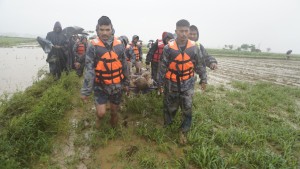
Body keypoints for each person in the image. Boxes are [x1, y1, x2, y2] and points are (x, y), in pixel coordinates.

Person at [157, 19, 206, 144]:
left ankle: (184, 131)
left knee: (187, 107)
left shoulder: (194, 48)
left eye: (186, 31)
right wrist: (159, 84)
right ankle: (168, 126)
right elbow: (162, 67)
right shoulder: (168, 48)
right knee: (170, 107)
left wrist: (203, 79)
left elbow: (200, 64)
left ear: (189, 31)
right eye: (181, 31)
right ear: (176, 31)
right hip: (171, 83)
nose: (184, 34)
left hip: (188, 83)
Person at [81, 16, 129, 128]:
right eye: (102, 30)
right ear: (97, 29)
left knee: (114, 111)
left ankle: (113, 127)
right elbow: (89, 69)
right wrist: (86, 91)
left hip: (117, 85)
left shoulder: (119, 45)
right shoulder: (92, 46)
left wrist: (126, 83)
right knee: (101, 113)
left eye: (107, 30)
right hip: (100, 85)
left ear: (112, 29)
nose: (105, 33)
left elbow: (125, 65)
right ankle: (99, 118)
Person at [188, 25, 218, 91]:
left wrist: (212, 62)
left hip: (192, 74)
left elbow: (205, 57)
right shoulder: (181, 44)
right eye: (190, 34)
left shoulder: (199, 46)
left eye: (194, 34)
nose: (192, 36)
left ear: (197, 35)